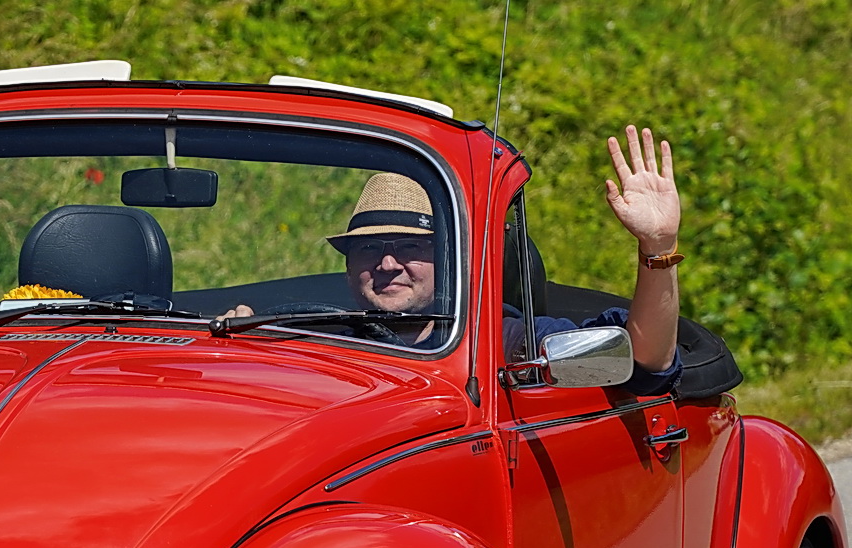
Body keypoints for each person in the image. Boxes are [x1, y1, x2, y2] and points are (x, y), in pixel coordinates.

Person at [217, 123, 682, 395]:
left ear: (448, 260)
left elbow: (646, 361)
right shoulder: (317, 338)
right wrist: (238, 347)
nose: (387, 264)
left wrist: (657, 247)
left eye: (410, 248)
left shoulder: (504, 339)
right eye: (369, 249)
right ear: (347, 264)